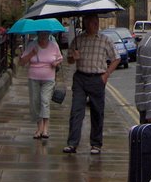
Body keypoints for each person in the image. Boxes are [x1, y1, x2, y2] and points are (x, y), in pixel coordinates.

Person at [63, 14, 119, 155]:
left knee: (97, 112)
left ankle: (96, 144)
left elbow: (116, 58)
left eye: (97, 21)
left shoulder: (105, 40)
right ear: (85, 23)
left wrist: (106, 75)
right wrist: (72, 57)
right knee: (76, 111)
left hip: (97, 79)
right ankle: (72, 143)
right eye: (92, 21)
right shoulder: (78, 40)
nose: (96, 24)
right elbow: (69, 60)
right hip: (80, 77)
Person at [18, 30, 62, 140]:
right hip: (34, 78)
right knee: (35, 102)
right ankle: (39, 127)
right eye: (41, 34)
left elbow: (60, 58)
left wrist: (56, 63)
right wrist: (32, 54)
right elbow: (22, 62)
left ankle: (45, 128)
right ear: (38, 34)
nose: (43, 36)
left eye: (46, 34)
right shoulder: (32, 45)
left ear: (49, 35)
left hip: (49, 78)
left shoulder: (54, 45)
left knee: (45, 100)